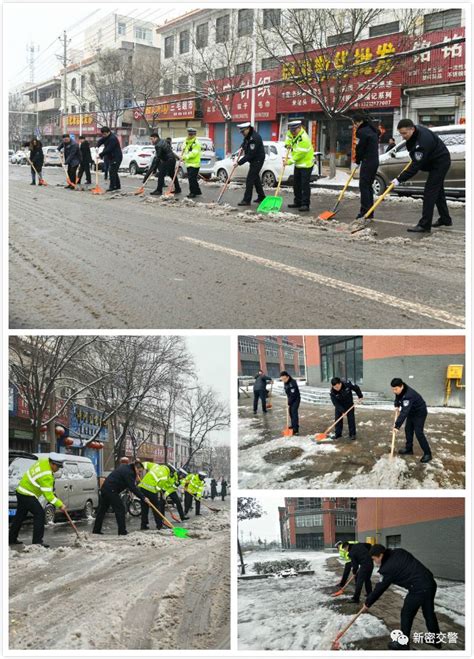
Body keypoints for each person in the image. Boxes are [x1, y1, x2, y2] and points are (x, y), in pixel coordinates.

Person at [364, 544, 441, 650]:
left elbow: (379, 588)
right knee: (429, 613)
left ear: (381, 555)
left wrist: (367, 603)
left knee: (406, 614)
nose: (374, 562)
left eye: (374, 559)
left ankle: (403, 644)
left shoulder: (388, 568)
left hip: (418, 588)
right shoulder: (399, 551)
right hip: (430, 582)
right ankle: (435, 640)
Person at [393, 119, 452, 232]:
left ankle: (424, 225)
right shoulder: (416, 134)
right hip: (435, 161)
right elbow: (415, 155)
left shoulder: (423, 142)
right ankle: (445, 219)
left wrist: (399, 179)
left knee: (430, 192)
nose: (403, 136)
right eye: (401, 134)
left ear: (412, 129)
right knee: (438, 192)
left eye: (405, 133)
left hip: (440, 163)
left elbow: (415, 166)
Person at [9, 453, 67, 548]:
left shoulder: (43, 461)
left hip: (21, 491)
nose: (58, 469)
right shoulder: (46, 475)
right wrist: (60, 505)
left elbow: (48, 487)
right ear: (52, 464)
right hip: (27, 494)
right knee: (39, 513)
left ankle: (11, 538)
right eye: (58, 466)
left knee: (20, 516)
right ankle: (37, 542)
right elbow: (48, 496)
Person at [93, 461, 149, 535]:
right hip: (111, 490)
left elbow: (125, 482)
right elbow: (133, 487)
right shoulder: (130, 472)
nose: (139, 473)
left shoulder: (126, 468)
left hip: (106, 488)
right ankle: (122, 531)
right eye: (139, 471)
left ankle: (96, 530)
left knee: (102, 510)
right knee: (120, 509)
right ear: (136, 468)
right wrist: (143, 498)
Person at [391, 378, 432, 463]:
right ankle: (409, 449)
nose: (394, 391)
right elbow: (397, 396)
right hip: (411, 411)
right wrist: (397, 404)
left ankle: (428, 454)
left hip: (419, 412)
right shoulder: (400, 390)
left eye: (396, 389)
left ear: (401, 386)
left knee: (418, 432)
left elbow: (404, 412)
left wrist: (397, 426)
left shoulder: (409, 395)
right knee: (408, 430)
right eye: (393, 389)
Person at [139, 462, 188, 530]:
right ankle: (160, 525)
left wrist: (138, 469)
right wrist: (158, 493)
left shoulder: (156, 465)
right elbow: (159, 488)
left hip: (142, 487)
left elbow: (145, 464)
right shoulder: (166, 475)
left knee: (144, 507)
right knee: (156, 508)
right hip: (152, 490)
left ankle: (143, 525)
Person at [352, 112, 380, 220]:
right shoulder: (372, 129)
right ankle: (369, 212)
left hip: (367, 161)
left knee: (364, 187)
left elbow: (360, 148)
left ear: (359, 122)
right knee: (368, 187)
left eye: (355, 123)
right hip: (374, 161)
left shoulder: (361, 132)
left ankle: (364, 212)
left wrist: (358, 159)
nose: (354, 125)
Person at [285, 120, 315, 212]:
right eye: (291, 130)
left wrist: (289, 161)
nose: (292, 132)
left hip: (306, 164)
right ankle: (297, 201)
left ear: (299, 128)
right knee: (296, 184)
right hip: (298, 165)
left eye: (294, 130)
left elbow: (299, 153)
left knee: (304, 185)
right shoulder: (292, 133)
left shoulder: (304, 138)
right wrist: (287, 144)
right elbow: (288, 137)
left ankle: (305, 204)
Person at [236, 122, 266, 206]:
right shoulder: (248, 136)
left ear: (248, 129)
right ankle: (262, 196)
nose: (242, 134)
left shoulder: (254, 138)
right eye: (241, 132)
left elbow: (250, 154)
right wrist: (242, 147)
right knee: (255, 179)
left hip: (257, 160)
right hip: (253, 160)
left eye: (243, 132)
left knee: (249, 180)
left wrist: (239, 162)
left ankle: (246, 200)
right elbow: (245, 143)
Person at [147, 132, 182, 196]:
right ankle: (178, 188)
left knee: (161, 174)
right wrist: (177, 157)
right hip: (172, 160)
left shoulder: (158, 145)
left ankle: (159, 190)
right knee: (172, 174)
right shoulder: (163, 141)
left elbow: (158, 157)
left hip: (167, 160)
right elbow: (170, 151)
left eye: (152, 139)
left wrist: (154, 168)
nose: (151, 141)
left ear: (155, 138)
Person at [96, 126, 123, 192]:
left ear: (109, 132)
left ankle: (112, 186)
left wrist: (100, 154)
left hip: (116, 157)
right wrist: (97, 146)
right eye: (103, 134)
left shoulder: (112, 138)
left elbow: (109, 149)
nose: (104, 135)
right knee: (114, 171)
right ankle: (117, 186)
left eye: (105, 134)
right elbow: (100, 141)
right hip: (111, 157)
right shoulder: (106, 137)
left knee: (112, 171)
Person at [182, 127, 202, 198]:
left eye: (191, 134)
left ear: (194, 135)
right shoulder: (187, 141)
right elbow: (184, 149)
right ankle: (197, 191)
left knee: (191, 179)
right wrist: (183, 148)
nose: (189, 136)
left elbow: (194, 153)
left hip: (195, 164)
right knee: (193, 179)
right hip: (188, 164)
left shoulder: (196, 143)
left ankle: (192, 192)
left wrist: (185, 157)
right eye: (188, 134)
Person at [280, 370, 301, 435]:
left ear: (288, 377)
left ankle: (296, 429)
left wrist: (288, 403)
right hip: (290, 398)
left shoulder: (292, 383)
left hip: (295, 399)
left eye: (284, 379)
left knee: (294, 413)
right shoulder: (285, 382)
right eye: (282, 379)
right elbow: (287, 391)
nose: (283, 380)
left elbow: (293, 394)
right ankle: (293, 425)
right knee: (290, 412)